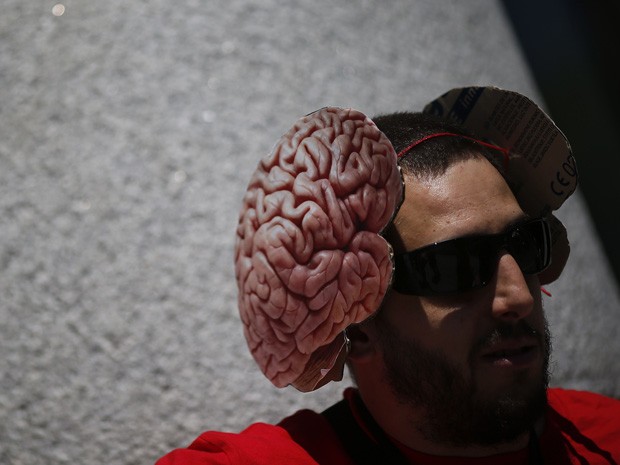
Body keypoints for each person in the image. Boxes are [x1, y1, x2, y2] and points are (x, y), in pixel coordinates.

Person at [155, 87, 620, 464]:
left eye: (526, 246)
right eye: (458, 266)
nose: (518, 296)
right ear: (355, 324)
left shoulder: (608, 435)